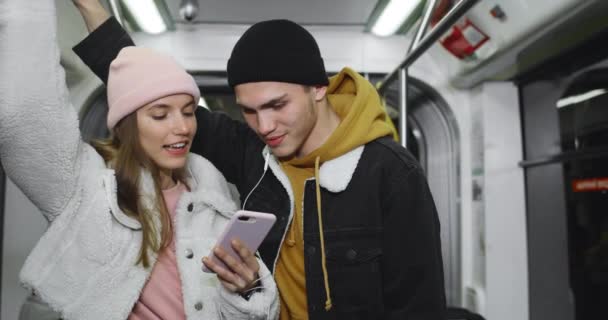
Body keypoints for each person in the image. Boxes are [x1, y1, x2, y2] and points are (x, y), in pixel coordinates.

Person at [71, 1, 447, 319]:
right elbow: (144, 89)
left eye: (277, 105)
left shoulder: (392, 174)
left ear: (318, 88)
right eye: (248, 111)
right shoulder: (254, 154)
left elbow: (419, 305)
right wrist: (90, 6)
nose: (265, 126)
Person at [0, 1, 279, 319]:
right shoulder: (89, 191)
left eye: (188, 111)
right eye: (160, 115)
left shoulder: (216, 203)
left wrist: (246, 290)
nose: (183, 127)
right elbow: (25, 115)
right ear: (127, 125)